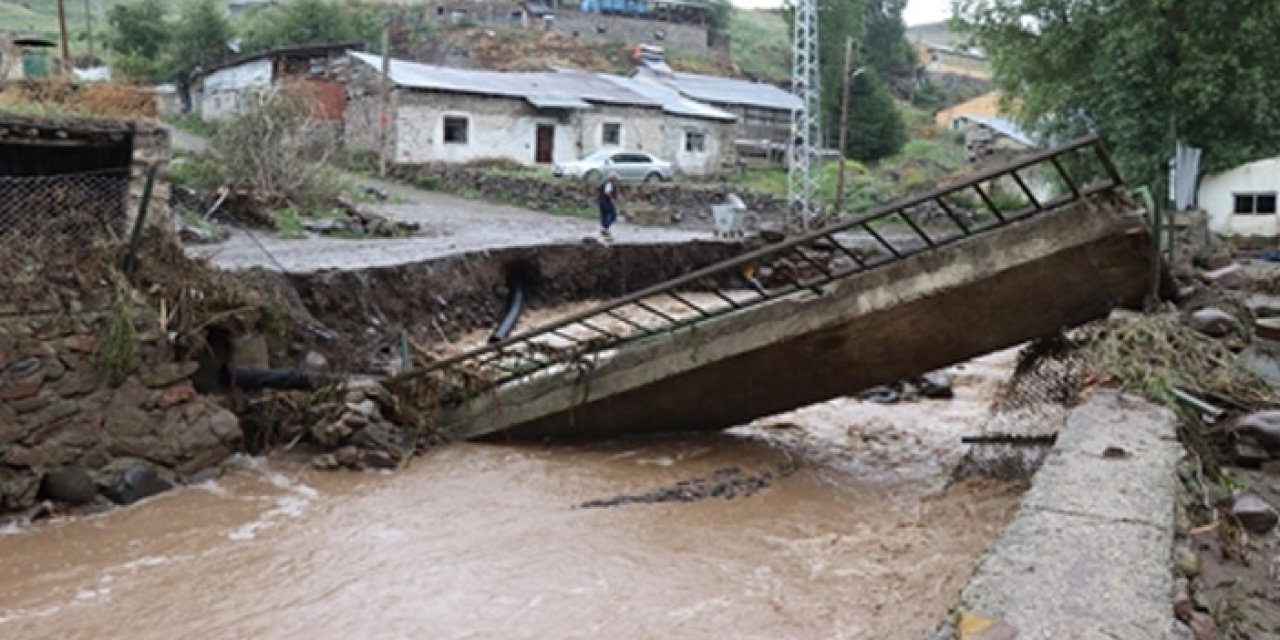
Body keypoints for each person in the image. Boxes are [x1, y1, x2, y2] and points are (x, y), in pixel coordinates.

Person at [597, 171, 621, 239]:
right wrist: (612, 199)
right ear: (613, 178)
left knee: (604, 215)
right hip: (606, 201)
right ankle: (605, 228)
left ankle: (604, 229)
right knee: (613, 215)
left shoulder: (604, 182)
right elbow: (607, 192)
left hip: (600, 201)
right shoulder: (609, 183)